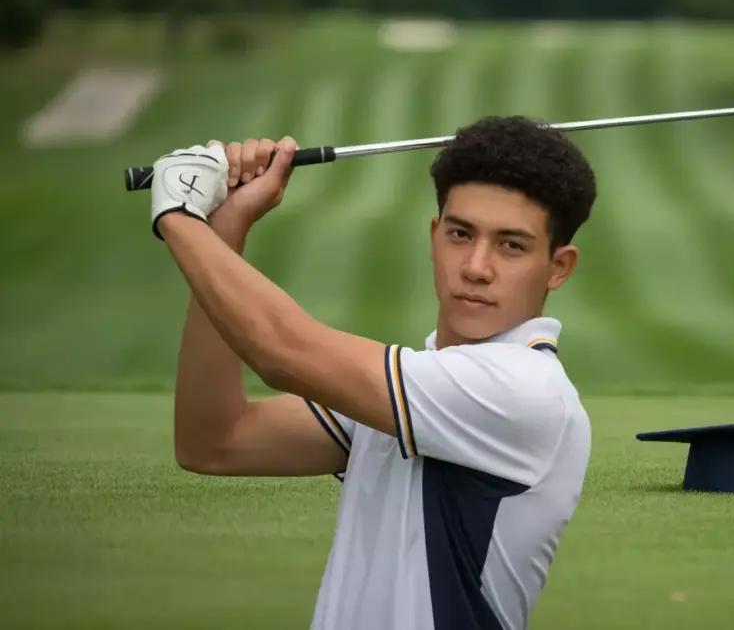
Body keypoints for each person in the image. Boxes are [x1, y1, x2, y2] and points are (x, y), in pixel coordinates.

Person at [149, 115, 598, 630]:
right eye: (460, 234)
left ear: (559, 267)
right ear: (434, 237)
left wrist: (179, 214)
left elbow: (281, 351)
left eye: (511, 245)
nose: (476, 266)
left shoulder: (523, 388)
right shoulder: (421, 384)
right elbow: (216, 441)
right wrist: (226, 228)